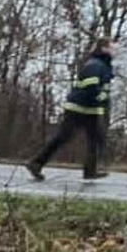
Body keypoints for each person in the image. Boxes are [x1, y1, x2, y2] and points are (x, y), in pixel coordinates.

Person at [25, 38, 115, 181]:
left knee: (96, 139)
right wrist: (101, 98)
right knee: (63, 137)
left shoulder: (103, 65)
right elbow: (90, 86)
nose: (115, 50)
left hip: (90, 110)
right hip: (79, 108)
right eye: (112, 47)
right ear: (104, 48)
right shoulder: (95, 65)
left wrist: (102, 101)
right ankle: (36, 163)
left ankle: (90, 171)